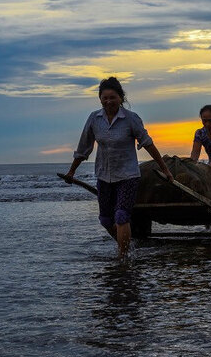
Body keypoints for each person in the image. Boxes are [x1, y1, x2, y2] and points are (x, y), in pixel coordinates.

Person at [64, 77, 173, 258]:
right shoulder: (94, 118)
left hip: (128, 175)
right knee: (106, 219)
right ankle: (128, 247)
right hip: (104, 175)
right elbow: (83, 148)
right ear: (100, 99)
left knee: (122, 216)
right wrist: (71, 171)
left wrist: (165, 169)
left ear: (121, 98)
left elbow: (148, 144)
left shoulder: (131, 119)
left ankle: (122, 258)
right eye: (104, 98)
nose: (108, 101)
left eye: (112, 97)